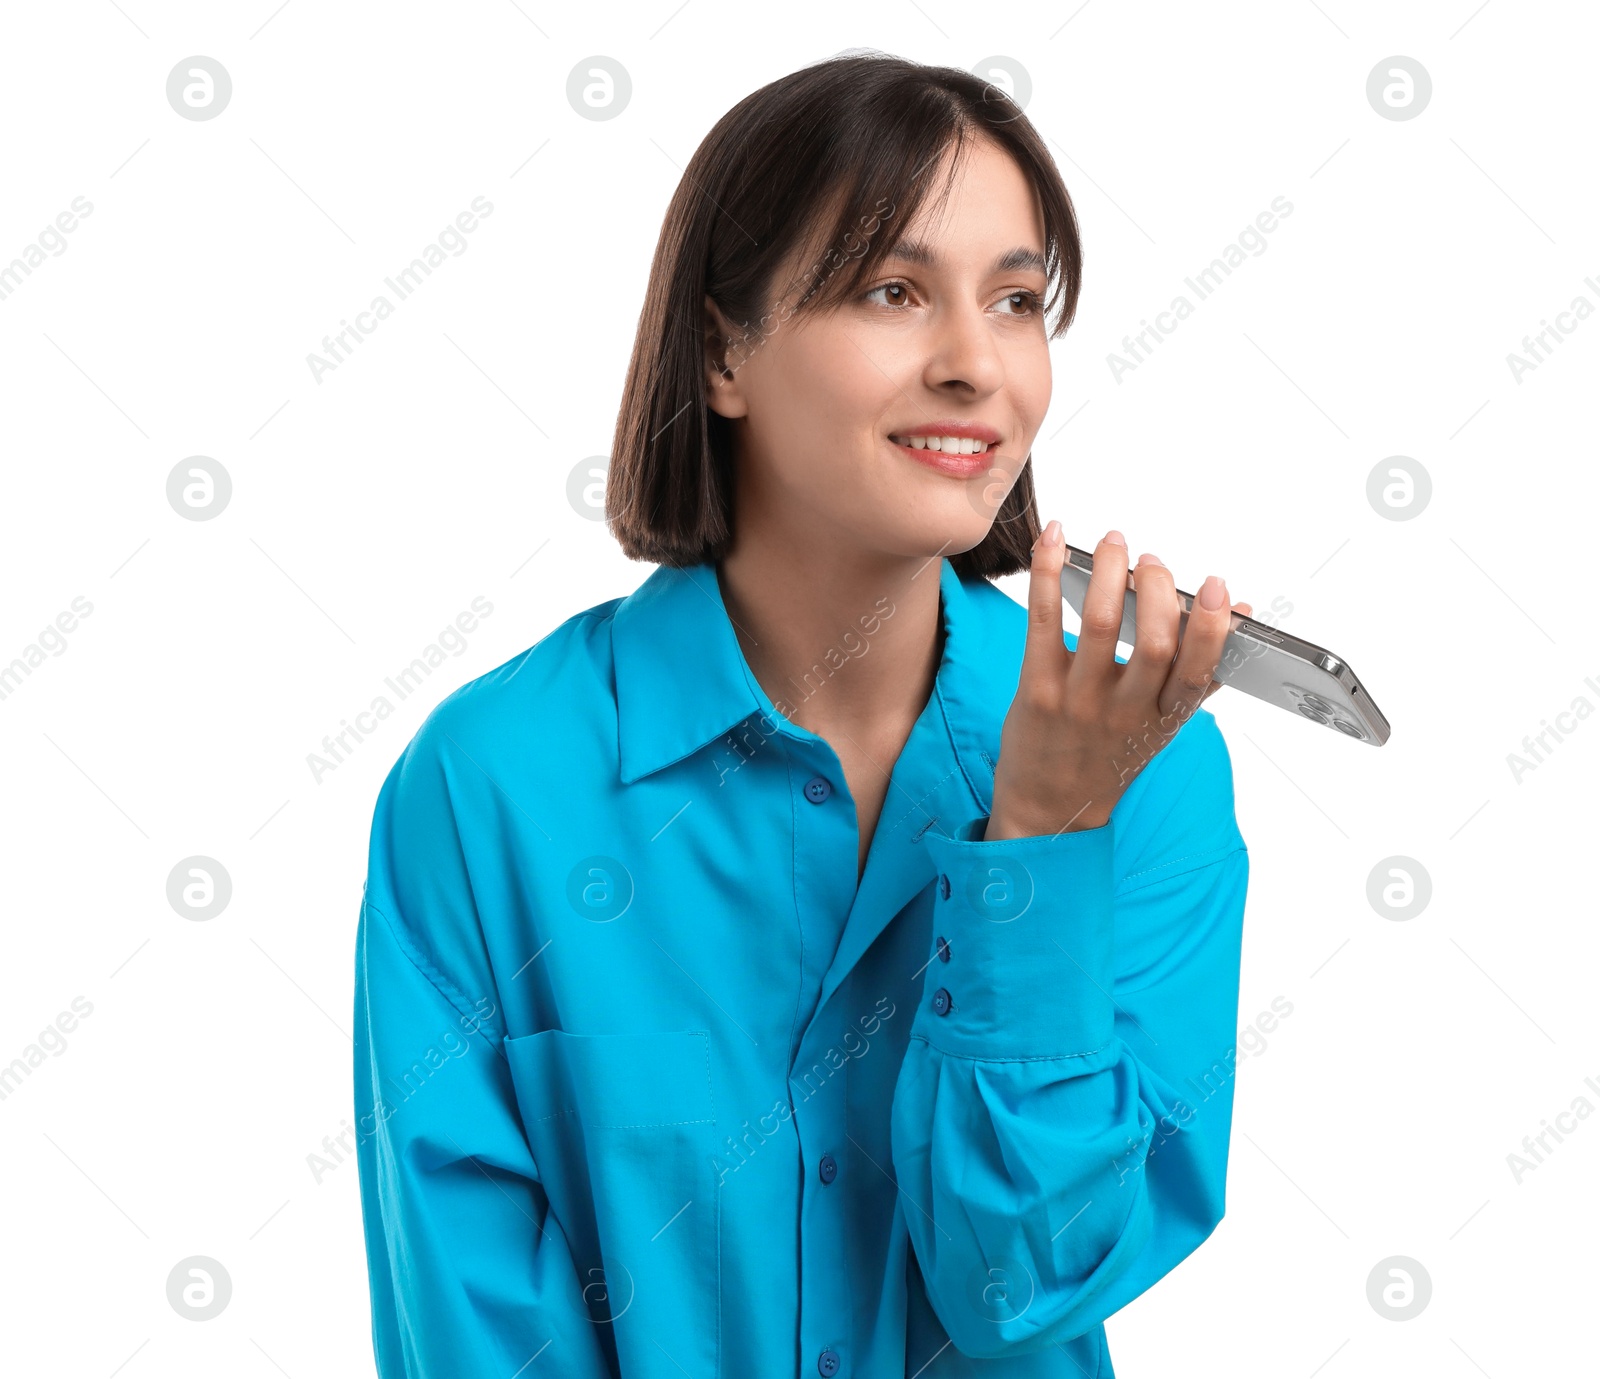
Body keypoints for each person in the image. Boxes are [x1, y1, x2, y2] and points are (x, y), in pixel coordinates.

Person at [354, 51, 1254, 1379]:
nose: (975, 366)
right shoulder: (491, 786)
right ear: (723, 351)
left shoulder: (1149, 767)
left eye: (1017, 302)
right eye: (895, 291)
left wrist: (1045, 852)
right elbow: (473, 1333)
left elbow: (1025, 1283)